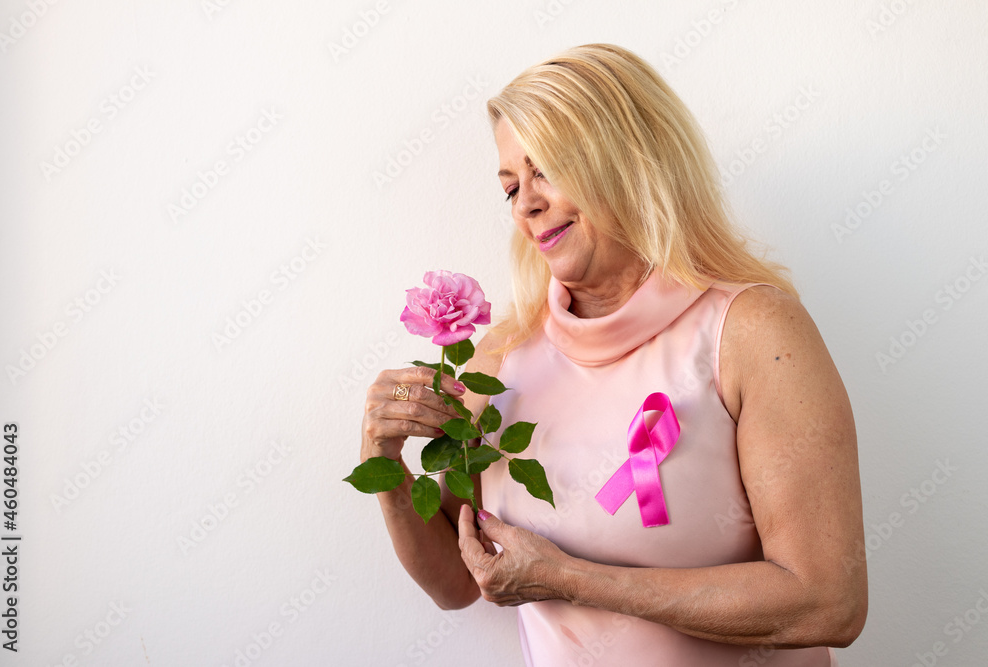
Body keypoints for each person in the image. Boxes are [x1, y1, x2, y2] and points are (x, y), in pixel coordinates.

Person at [360, 43, 867, 666]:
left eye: (546, 169)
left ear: (626, 163)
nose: (525, 204)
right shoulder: (499, 361)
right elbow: (458, 583)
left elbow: (828, 601)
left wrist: (573, 579)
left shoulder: (753, 330)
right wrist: (384, 462)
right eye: (511, 186)